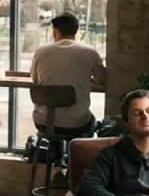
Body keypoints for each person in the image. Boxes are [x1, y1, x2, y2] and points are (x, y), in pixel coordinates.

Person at [29, 13, 106, 141]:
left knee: (55, 125)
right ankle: (73, 157)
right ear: (76, 31)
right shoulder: (89, 52)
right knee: (91, 120)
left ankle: (55, 157)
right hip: (76, 124)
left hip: (43, 122)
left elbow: (35, 79)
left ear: (56, 32)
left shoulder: (41, 51)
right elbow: (103, 79)